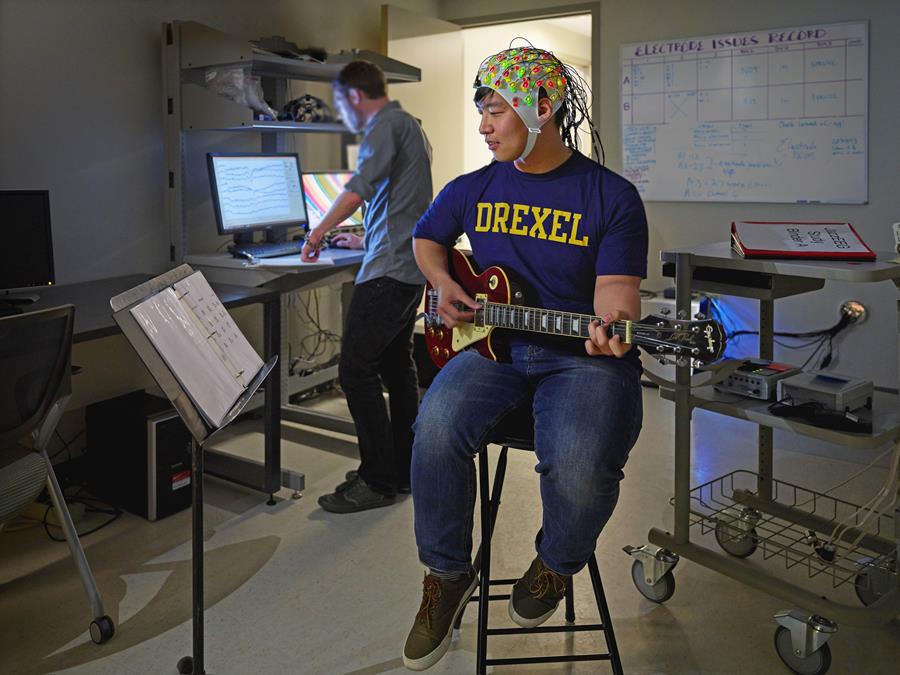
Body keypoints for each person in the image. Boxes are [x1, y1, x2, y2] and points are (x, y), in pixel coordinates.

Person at [401, 46, 648, 670]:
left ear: (543, 108)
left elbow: (615, 299)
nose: (484, 125)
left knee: (579, 468)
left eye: (494, 111)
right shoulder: (472, 187)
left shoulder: (611, 197)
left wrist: (611, 328)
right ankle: (447, 575)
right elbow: (426, 238)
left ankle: (555, 563)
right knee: (432, 430)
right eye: (480, 112)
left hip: (583, 360)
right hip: (491, 348)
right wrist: (441, 284)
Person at [302, 61, 433, 514]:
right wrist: (363, 236)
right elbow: (400, 202)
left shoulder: (385, 125)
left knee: (355, 369)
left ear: (355, 97)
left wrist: (317, 232)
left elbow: (359, 189)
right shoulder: (410, 126)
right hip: (406, 263)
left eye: (341, 104)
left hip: (390, 271)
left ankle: (377, 481)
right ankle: (402, 469)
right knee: (397, 367)